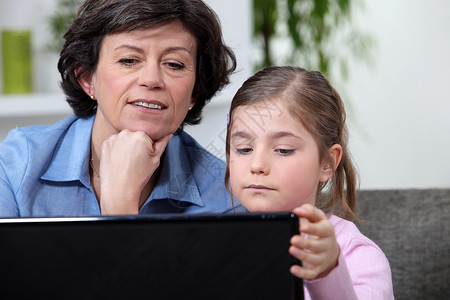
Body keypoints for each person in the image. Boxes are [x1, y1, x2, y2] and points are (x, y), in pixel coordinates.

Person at [0, 0, 244, 217]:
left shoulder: (226, 196)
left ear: (195, 92)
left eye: (174, 64)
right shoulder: (16, 166)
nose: (151, 79)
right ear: (86, 77)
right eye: (129, 60)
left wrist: (120, 205)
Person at [225, 66, 394, 299]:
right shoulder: (214, 245)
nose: (257, 165)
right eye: (244, 149)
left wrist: (327, 274)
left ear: (327, 163)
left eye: (283, 150)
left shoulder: (358, 255)